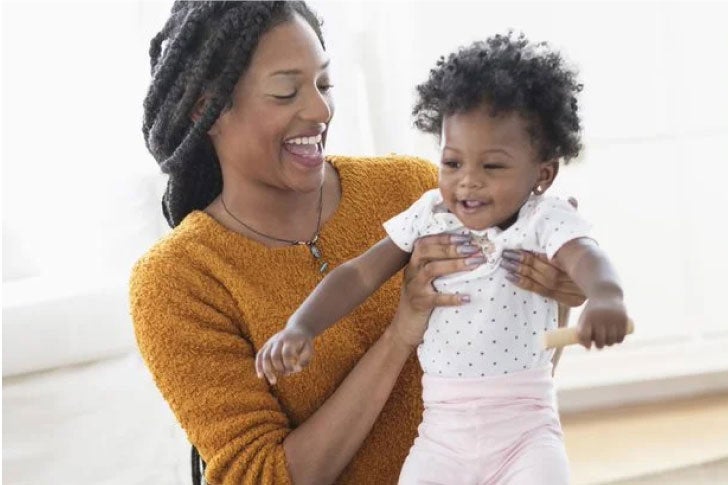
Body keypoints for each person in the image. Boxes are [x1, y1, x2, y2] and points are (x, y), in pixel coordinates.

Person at [131, 3, 586, 484]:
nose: (320, 110)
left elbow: (512, 382)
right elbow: (260, 477)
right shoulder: (177, 280)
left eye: (324, 85)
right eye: (286, 92)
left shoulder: (413, 191)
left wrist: (557, 297)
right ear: (207, 108)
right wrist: (398, 335)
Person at [255, 32, 629, 484]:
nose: (467, 183)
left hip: (526, 431)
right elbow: (357, 275)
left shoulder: (543, 219)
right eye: (453, 163)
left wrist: (606, 297)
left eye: (491, 167)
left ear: (542, 174)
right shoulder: (430, 213)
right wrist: (302, 326)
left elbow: (586, 256)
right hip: (441, 438)